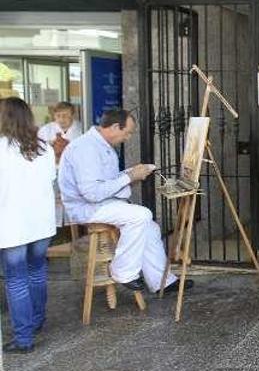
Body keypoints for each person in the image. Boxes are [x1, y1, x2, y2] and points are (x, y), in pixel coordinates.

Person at [58, 109, 193, 294]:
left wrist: (131, 174)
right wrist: (129, 177)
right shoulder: (85, 148)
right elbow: (92, 193)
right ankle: (123, 271)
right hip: (87, 207)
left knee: (150, 227)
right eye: (127, 132)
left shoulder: (101, 145)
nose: (128, 138)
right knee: (141, 215)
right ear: (114, 127)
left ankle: (162, 281)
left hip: (101, 203)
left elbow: (106, 181)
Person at [0, 98, 57, 354]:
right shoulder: (44, 147)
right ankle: (36, 321)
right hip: (41, 224)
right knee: (36, 272)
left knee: (16, 280)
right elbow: (51, 179)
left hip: (12, 226)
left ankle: (24, 339)